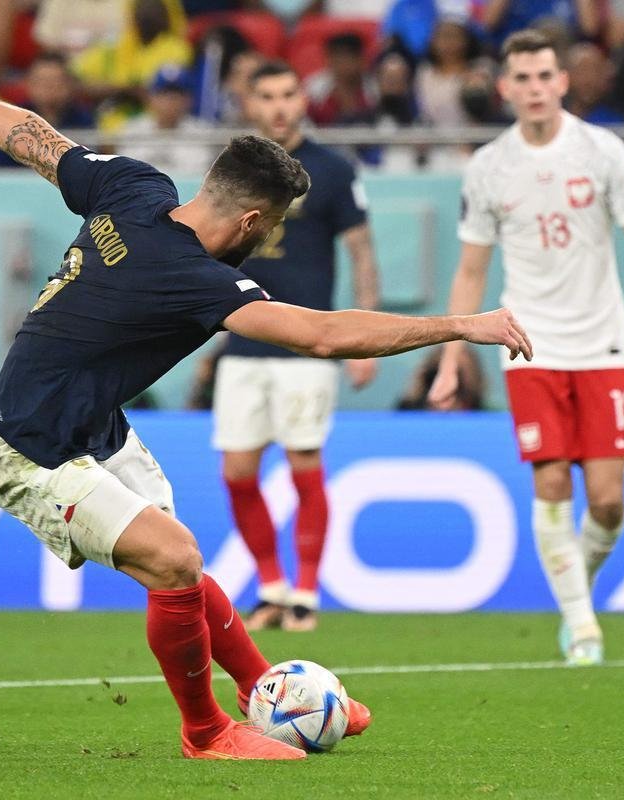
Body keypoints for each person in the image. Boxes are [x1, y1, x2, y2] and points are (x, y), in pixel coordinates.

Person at [0, 38, 530, 760]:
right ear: (252, 222)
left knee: (177, 565)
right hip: (27, 445)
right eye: (273, 226)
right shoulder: (199, 280)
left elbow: (29, 135)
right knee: (175, 559)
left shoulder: (131, 185)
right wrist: (460, 325)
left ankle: (264, 692)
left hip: (92, 429)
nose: (270, 235)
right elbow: (322, 336)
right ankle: (206, 733)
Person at [429, 30, 624, 666]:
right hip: (528, 346)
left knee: (608, 501)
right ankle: (583, 630)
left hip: (600, 346)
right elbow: (469, 271)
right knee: (550, 482)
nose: (536, 89)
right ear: (506, 87)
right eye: (524, 78)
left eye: (546, 76)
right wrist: (453, 356)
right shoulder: (488, 166)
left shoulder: (603, 151)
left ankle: (577, 596)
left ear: (562, 82)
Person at [212, 61, 382, 633]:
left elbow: (361, 251)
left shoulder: (332, 168)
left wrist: (364, 340)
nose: (280, 106)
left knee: (303, 461)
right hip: (243, 337)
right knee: (237, 469)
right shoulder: (231, 172)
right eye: (267, 97)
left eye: (289, 94)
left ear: (303, 99)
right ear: (250, 104)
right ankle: (271, 587)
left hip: (308, 341)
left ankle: (305, 592)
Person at [120, 65, 217, 175]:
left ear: (189, 100)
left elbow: (199, 175)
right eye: (164, 94)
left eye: (177, 94)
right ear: (151, 98)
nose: (171, 101)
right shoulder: (132, 130)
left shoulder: (203, 132)